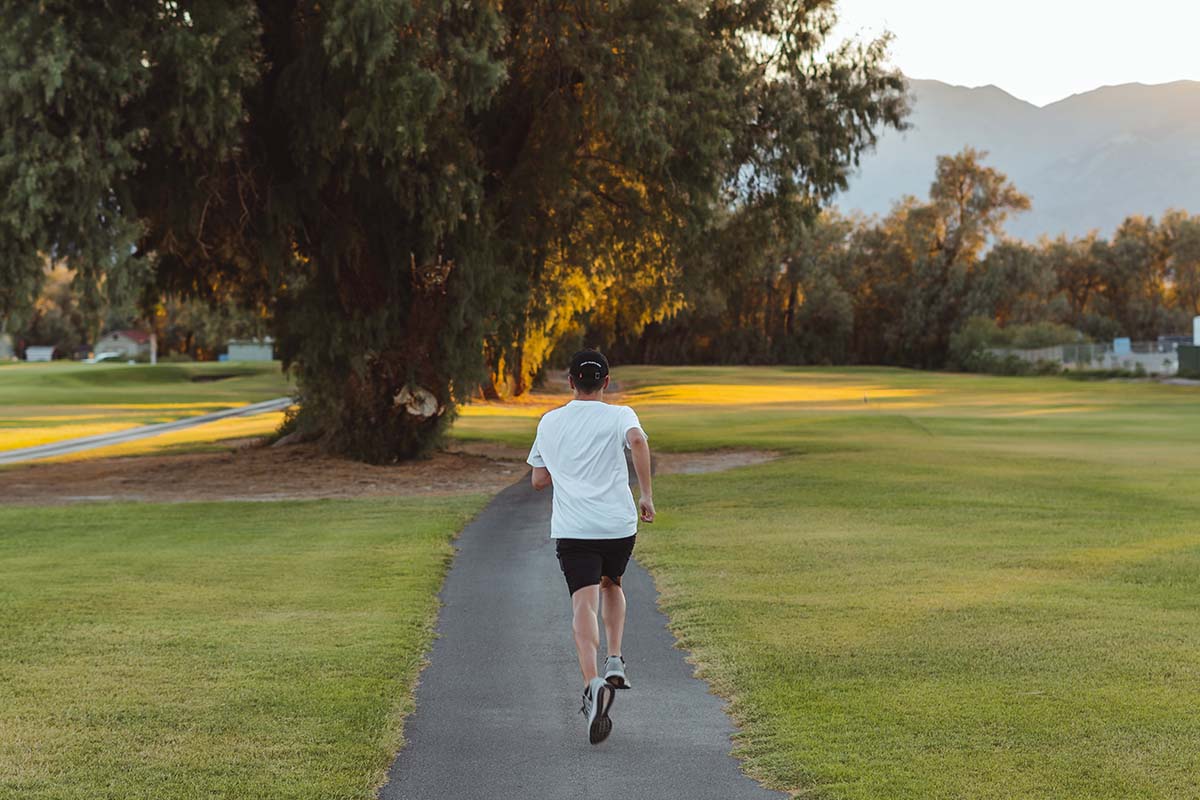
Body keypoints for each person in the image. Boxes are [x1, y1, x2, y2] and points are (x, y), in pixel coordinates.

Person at [527, 349, 655, 745]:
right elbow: (636, 440)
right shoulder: (621, 415)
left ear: (570, 382)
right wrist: (646, 494)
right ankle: (615, 657)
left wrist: (564, 469)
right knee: (612, 582)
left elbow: (538, 480)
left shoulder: (550, 421)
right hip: (617, 525)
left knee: (583, 602)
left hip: (574, 527)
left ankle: (592, 684)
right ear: (606, 381)